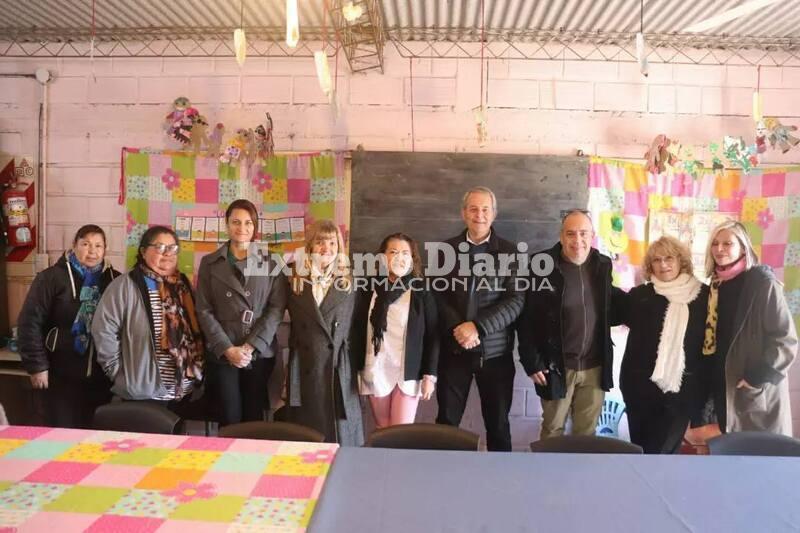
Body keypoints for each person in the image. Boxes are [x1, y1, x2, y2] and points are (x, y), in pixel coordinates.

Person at [518, 209, 624, 440]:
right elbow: (527, 318)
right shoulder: (541, 265)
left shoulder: (602, 264)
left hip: (595, 367)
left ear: (592, 236)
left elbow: (608, 305)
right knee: (552, 431)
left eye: (583, 233)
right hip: (556, 367)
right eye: (571, 233)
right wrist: (531, 361)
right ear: (561, 236)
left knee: (586, 435)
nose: (578, 240)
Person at [435, 187, 523, 451]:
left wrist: (478, 327)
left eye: (485, 209)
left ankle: (501, 476)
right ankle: (443, 473)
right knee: (446, 425)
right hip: (454, 352)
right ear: (464, 213)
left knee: (498, 427)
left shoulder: (511, 253)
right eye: (473, 209)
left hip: (495, 356)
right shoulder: (445, 251)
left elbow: (516, 301)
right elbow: (437, 297)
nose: (479, 215)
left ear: (494, 214)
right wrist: (459, 329)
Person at [697, 219, 796, 435]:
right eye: (715, 243)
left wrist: (756, 378)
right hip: (725, 389)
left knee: (761, 453)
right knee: (731, 450)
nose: (719, 249)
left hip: (754, 389)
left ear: (743, 248)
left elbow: (785, 340)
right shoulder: (715, 285)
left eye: (727, 243)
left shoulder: (762, 283)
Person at [92, 226, 205, 417]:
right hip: (143, 392)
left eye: (173, 248)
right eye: (160, 247)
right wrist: (118, 372)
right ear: (143, 252)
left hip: (183, 392)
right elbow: (103, 330)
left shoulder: (182, 287)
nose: (167, 253)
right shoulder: (125, 286)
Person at [196, 199, 287, 426]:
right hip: (223, 351)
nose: (242, 228)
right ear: (227, 224)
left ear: (255, 227)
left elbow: (276, 308)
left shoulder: (272, 262)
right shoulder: (209, 263)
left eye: (248, 223)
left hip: (258, 351)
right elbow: (204, 310)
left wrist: (250, 346)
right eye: (236, 222)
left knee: (253, 417)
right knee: (229, 416)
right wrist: (227, 349)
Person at [18, 225, 119, 428]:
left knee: (95, 435)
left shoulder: (115, 280)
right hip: (60, 375)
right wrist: (37, 366)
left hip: (101, 378)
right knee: (62, 432)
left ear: (105, 249)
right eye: (85, 244)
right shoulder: (51, 278)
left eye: (98, 245)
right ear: (74, 245)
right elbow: (29, 323)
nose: (92, 251)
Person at [618, 236, 707, 453]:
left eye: (669, 258)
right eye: (656, 260)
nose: (663, 265)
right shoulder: (640, 296)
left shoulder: (703, 297)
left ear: (681, 261)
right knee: (640, 451)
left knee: (661, 453)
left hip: (679, 391)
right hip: (639, 389)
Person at [283, 220, 363, 445]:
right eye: (320, 242)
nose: (326, 248)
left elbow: (358, 327)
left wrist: (360, 368)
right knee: (307, 440)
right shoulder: (293, 277)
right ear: (310, 246)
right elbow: (274, 311)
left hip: (340, 367)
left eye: (332, 243)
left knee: (343, 440)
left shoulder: (351, 280)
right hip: (305, 364)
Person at [351, 233, 439, 428]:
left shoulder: (420, 290)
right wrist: (356, 370)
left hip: (407, 373)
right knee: (382, 431)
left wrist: (429, 376)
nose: (400, 257)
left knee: (401, 434)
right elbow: (356, 329)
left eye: (405, 253)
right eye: (393, 252)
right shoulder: (368, 287)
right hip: (376, 369)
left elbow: (433, 335)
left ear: (412, 259)